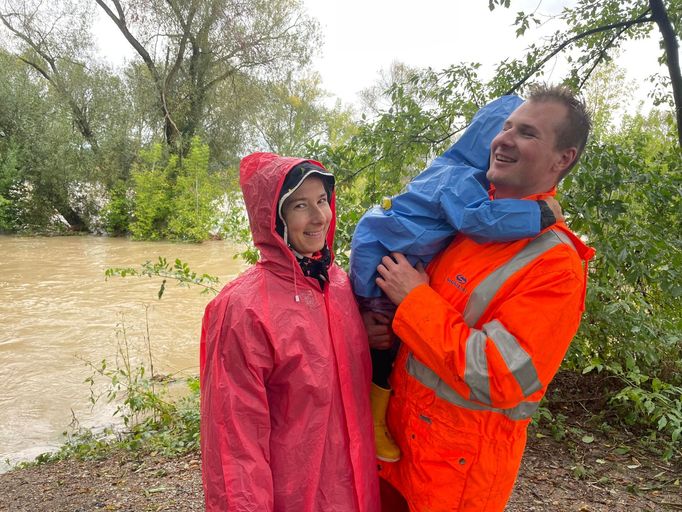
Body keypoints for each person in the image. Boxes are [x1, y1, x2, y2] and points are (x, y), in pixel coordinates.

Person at [364, 84, 595, 511]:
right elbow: (419, 327)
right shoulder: (465, 227)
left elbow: (503, 376)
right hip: (397, 455)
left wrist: (412, 302)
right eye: (505, 126)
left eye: (527, 133)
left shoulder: (555, 265)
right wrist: (383, 324)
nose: (504, 139)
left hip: (454, 481)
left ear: (563, 159)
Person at [200, 153, 380, 512]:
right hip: (293, 496)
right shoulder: (241, 309)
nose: (319, 217)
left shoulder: (338, 284)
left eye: (322, 201)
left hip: (355, 488)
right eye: (300, 205)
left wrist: (366, 336)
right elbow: (234, 444)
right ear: (274, 217)